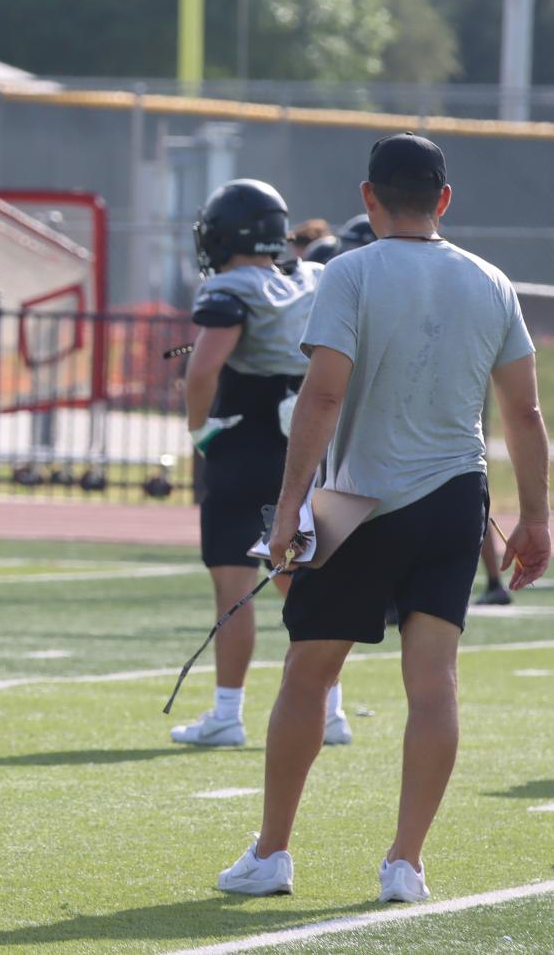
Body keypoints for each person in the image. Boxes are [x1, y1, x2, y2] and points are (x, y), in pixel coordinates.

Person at [215, 133, 551, 903]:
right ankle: (405, 861)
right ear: (443, 200)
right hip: (453, 497)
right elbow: (523, 412)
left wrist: (291, 506)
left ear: (367, 198)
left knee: (307, 674)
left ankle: (271, 853)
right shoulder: (491, 279)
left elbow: (323, 396)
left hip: (357, 499)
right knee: (433, 682)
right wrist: (534, 518)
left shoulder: (350, 270)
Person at [172, 180, 349, 750]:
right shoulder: (314, 276)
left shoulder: (230, 287)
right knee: (297, 579)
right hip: (303, 445)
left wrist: (199, 430)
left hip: (244, 445)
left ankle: (227, 712)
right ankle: (332, 708)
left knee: (234, 584)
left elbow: (203, 371)